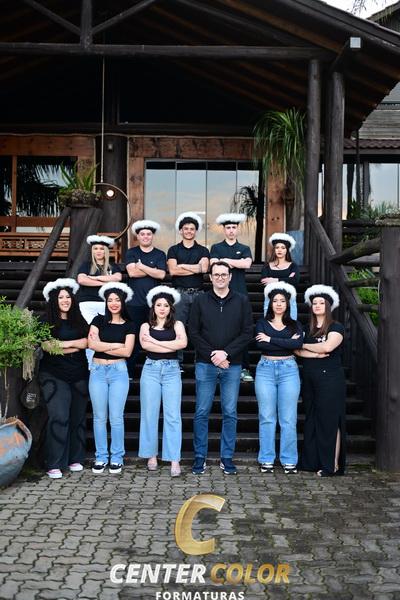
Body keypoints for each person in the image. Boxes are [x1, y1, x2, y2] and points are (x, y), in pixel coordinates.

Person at [188, 261, 253, 475]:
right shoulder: (200, 300)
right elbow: (193, 332)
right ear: (211, 277)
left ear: (230, 277)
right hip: (205, 364)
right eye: (216, 274)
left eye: (224, 274)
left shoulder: (241, 301)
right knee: (201, 411)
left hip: (232, 365)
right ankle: (200, 457)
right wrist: (213, 355)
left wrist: (226, 353)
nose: (220, 278)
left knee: (230, 412)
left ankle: (227, 457)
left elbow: (247, 332)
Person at [39, 278, 89, 479]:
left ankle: (75, 458)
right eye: (61, 297)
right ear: (54, 299)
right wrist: (74, 345)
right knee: (59, 416)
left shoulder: (79, 319)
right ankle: (54, 463)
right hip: (53, 373)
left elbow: (86, 342)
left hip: (79, 372)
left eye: (68, 297)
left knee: (78, 416)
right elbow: (47, 346)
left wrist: (61, 345)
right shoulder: (45, 321)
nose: (65, 300)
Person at [295, 284, 346, 477]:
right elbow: (296, 350)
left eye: (321, 303)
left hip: (330, 380)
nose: (317, 306)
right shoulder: (306, 328)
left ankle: (331, 465)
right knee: (312, 419)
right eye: (314, 303)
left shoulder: (336, 327)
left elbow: (328, 347)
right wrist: (314, 354)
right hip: (310, 378)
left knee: (329, 420)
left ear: (328, 306)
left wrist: (305, 345)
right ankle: (311, 462)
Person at [138, 285, 187, 477]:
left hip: (172, 370)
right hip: (150, 369)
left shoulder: (177, 324)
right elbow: (145, 345)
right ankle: (151, 455)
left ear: (170, 308)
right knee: (149, 413)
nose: (162, 308)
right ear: (153, 307)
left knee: (172, 415)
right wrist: (168, 345)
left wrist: (156, 342)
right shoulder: (145, 326)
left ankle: (174, 459)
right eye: (159, 305)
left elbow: (182, 343)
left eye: (166, 305)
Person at [254, 282, 302, 474]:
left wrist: (271, 339)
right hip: (265, 369)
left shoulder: (294, 324)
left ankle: (289, 459)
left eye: (282, 301)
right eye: (275, 301)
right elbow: (261, 345)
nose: (279, 304)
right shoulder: (262, 323)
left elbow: (297, 344)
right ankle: (266, 459)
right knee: (266, 417)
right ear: (270, 303)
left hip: (289, 370)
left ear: (288, 304)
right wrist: (286, 342)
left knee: (288, 418)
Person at [88, 282, 135, 475]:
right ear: (106, 302)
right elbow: (92, 344)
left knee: (116, 417)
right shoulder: (98, 320)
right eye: (110, 300)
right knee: (99, 417)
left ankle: (117, 457)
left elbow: (128, 351)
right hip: (97, 371)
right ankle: (101, 457)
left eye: (117, 300)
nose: (113, 303)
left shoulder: (130, 325)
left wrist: (104, 345)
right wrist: (116, 345)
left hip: (118, 372)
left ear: (123, 302)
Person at [210, 213, 253, 383]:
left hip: (240, 294)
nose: (231, 230)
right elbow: (214, 265)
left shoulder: (244, 247)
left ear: (237, 229)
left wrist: (226, 260)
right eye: (228, 227)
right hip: (219, 294)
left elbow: (247, 263)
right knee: (219, 329)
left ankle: (244, 368)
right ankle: (218, 365)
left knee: (242, 330)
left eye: (234, 227)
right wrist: (236, 262)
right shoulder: (216, 247)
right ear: (224, 230)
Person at [167, 211, 209, 371]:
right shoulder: (173, 250)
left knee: (201, 328)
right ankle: (178, 363)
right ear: (181, 230)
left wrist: (182, 266)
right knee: (177, 326)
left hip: (199, 293)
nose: (189, 231)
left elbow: (204, 269)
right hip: (179, 293)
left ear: (196, 231)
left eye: (192, 229)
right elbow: (173, 271)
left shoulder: (203, 250)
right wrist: (195, 268)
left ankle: (200, 361)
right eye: (186, 228)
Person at [125, 220, 167, 380]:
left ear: (152, 236)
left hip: (154, 305)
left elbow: (161, 274)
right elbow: (132, 273)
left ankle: (156, 372)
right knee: (134, 338)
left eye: (148, 234)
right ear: (138, 236)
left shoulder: (160, 254)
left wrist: (142, 267)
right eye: (142, 234)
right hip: (134, 303)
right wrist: (152, 270)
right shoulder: (131, 252)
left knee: (156, 336)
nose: (145, 236)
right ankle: (130, 372)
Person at [77, 235, 122, 324]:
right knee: (91, 327)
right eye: (95, 249)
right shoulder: (86, 265)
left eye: (101, 249)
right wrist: (105, 283)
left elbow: (117, 277)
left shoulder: (113, 266)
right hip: (88, 302)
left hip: (107, 303)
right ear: (92, 251)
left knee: (106, 328)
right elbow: (82, 280)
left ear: (106, 251)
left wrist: (96, 277)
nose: (98, 251)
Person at [261, 233, 299, 320]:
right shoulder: (267, 266)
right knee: (269, 324)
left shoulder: (293, 266)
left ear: (287, 250)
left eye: (283, 248)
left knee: (291, 325)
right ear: (274, 249)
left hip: (289, 299)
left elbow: (295, 281)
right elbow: (264, 281)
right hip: (271, 299)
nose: (279, 250)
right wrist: (287, 279)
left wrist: (275, 280)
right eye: (277, 247)